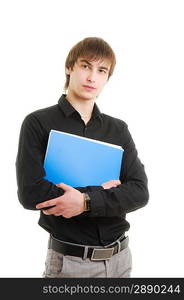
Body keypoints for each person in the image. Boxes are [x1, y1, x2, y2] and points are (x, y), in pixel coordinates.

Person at [16, 37, 149, 278]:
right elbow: (31, 193)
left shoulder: (118, 129)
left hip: (121, 261)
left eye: (101, 70)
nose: (92, 77)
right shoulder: (38, 123)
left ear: (108, 77)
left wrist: (86, 200)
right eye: (85, 66)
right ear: (70, 67)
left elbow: (139, 192)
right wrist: (102, 192)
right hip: (70, 264)